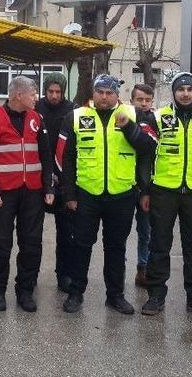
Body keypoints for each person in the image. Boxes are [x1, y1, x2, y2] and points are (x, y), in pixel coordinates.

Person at [57, 74, 155, 315]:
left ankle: (115, 296)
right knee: (81, 246)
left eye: (109, 93)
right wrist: (69, 194)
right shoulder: (76, 116)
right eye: (100, 92)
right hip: (86, 194)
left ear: (117, 95)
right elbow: (64, 158)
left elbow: (149, 147)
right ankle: (75, 293)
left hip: (122, 194)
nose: (104, 97)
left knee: (116, 247)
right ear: (93, 93)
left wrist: (128, 127)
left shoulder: (133, 114)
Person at [139, 73, 192, 320]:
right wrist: (145, 189)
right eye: (180, 89)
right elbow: (145, 156)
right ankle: (156, 295)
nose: (185, 93)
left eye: (189, 89)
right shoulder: (158, 117)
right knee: (159, 245)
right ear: (173, 92)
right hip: (163, 191)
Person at [0, 76, 54, 313]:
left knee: (31, 244)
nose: (36, 98)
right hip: (2, 195)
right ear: (19, 95)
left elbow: (46, 156)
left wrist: (48, 187)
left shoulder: (37, 119)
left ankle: (25, 291)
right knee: (0, 245)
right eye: (33, 94)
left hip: (32, 193)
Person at [34, 72, 77, 293]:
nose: (54, 95)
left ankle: (64, 274)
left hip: (63, 179)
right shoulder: (35, 108)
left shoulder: (72, 110)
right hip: (37, 177)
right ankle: (30, 275)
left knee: (66, 233)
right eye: (50, 91)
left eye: (58, 92)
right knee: (32, 233)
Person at [129, 83, 155, 288]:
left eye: (148, 100)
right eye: (140, 100)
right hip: (125, 183)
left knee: (145, 230)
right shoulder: (123, 119)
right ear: (132, 101)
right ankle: (117, 270)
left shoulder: (157, 122)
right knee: (118, 233)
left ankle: (143, 268)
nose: (144, 104)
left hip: (148, 185)